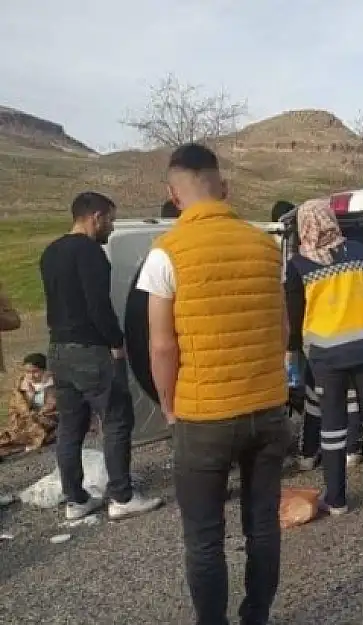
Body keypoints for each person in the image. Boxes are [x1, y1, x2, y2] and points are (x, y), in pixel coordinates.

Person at [137, 143, 291, 625]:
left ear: (174, 195)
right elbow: (284, 329)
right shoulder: (265, 247)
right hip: (267, 409)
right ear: (223, 188)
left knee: (204, 536)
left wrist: (167, 404)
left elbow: (161, 347)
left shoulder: (165, 254)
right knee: (263, 524)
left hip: (203, 417)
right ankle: (257, 617)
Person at [39, 191, 163, 521]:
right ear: (95, 217)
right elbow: (98, 305)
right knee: (117, 420)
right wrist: (117, 341)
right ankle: (121, 496)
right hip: (91, 351)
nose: (111, 226)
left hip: (58, 351)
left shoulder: (50, 252)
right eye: (110, 218)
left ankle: (76, 499)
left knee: (70, 427)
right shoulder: (91, 253)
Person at [285, 198, 363, 514]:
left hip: (327, 357)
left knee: (332, 426)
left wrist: (293, 356)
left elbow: (294, 320)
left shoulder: (299, 265)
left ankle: (336, 499)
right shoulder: (362, 253)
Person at [271, 199, 363, 472]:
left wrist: (291, 349)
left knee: (315, 397)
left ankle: (309, 452)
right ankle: (353, 448)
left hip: (320, 343)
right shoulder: (356, 253)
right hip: (358, 338)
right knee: (350, 396)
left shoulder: (300, 264)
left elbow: (295, 311)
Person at [0, 353, 58, 455]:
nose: (31, 375)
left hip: (48, 421)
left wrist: (39, 415)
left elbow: (57, 408)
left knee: (32, 433)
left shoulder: (55, 385)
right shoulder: (21, 385)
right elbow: (14, 408)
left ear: (45, 370)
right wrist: (30, 398)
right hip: (24, 421)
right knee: (9, 435)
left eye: (35, 372)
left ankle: (15, 448)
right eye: (27, 372)